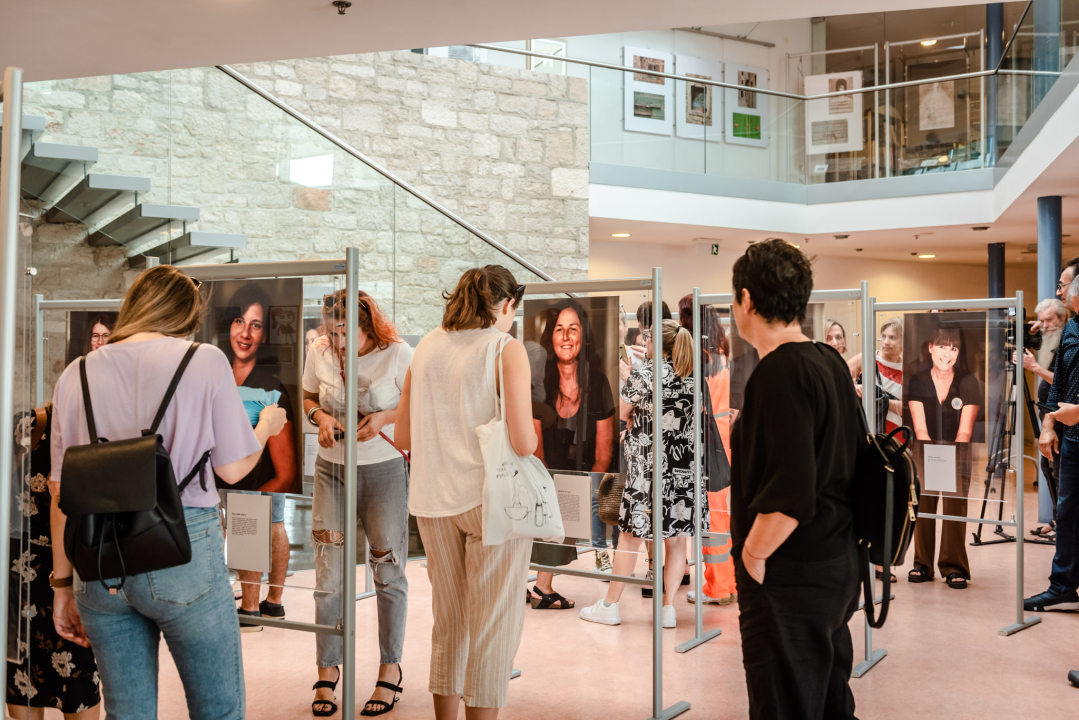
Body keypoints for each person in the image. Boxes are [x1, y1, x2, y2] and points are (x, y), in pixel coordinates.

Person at [49, 265, 287, 719]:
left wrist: (62, 587)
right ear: (186, 313)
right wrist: (264, 427)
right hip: (182, 548)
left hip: (96, 557)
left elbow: (61, 489)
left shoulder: (74, 375)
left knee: (128, 713)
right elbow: (234, 470)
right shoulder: (204, 360)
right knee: (217, 709)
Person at [726, 239, 862, 720]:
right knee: (827, 700)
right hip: (835, 560)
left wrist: (753, 553)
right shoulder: (828, 362)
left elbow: (789, 492)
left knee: (783, 703)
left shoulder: (777, 373)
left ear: (746, 299)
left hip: (792, 571)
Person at [397, 265, 534, 720]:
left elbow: (402, 435)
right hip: (490, 501)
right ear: (507, 303)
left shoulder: (428, 345)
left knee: (449, 621)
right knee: (492, 624)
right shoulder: (504, 349)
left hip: (433, 502)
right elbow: (523, 443)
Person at [302, 289, 411, 717]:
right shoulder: (320, 350)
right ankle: (327, 672)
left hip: (383, 469)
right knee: (329, 575)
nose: (340, 342)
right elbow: (308, 397)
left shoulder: (399, 354)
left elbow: (420, 406)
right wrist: (320, 418)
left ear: (371, 325)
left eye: (349, 332)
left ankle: (390, 668)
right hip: (331, 469)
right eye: (334, 332)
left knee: (387, 569)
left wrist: (385, 417)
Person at [579, 319, 708, 629]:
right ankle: (667, 608)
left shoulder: (645, 375)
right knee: (677, 541)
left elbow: (622, 412)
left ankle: (610, 605)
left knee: (630, 536)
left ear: (653, 343)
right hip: (684, 469)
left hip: (649, 470)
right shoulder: (693, 376)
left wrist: (630, 378)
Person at [6, 404, 102, 720]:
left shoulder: (25, 423)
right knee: (76, 671)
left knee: (22, 673)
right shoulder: (87, 429)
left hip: (19, 567)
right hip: (68, 566)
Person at [215, 283, 296, 631]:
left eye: (256, 324)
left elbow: (286, 468)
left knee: (264, 521)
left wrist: (255, 491)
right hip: (227, 473)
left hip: (253, 479)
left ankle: (251, 608)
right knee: (270, 523)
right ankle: (272, 604)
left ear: (265, 335)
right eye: (239, 321)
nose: (245, 332)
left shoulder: (271, 385)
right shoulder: (218, 375)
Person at [530, 300, 616, 603]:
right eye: (559, 330)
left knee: (580, 514)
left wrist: (582, 491)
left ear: (584, 335)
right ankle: (539, 585)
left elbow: (605, 452)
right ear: (550, 337)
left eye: (573, 329)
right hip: (539, 475)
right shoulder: (539, 381)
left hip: (584, 481)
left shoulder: (598, 382)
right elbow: (534, 448)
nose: (566, 337)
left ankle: (545, 584)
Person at [905, 325, 981, 589]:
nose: (947, 353)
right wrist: (931, 456)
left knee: (953, 507)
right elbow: (919, 425)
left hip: (957, 449)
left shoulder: (969, 381)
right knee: (923, 506)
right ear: (930, 347)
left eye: (954, 347)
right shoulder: (918, 380)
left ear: (959, 353)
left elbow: (966, 429)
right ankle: (921, 564)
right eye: (942, 345)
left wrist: (949, 460)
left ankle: (953, 566)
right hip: (924, 448)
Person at [678, 294, 736, 606]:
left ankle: (718, 588)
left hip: (710, 445)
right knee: (724, 518)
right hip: (728, 442)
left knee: (713, 521)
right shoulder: (724, 353)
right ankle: (730, 583)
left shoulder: (698, 358)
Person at [1030, 273, 1079, 614]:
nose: (1060, 292)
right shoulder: (1073, 331)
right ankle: (1062, 587)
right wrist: (1048, 424)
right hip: (1073, 440)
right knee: (1067, 513)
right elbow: (1059, 382)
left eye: (1063, 287)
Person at [1020, 297, 1071, 538]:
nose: (1045, 325)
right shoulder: (1051, 337)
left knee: (1058, 466)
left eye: (1050, 320)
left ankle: (1065, 523)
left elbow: (1063, 382)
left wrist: (1035, 368)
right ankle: (1057, 517)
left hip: (1063, 415)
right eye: (1042, 321)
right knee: (1047, 467)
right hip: (1047, 411)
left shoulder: (1069, 342)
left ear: (1064, 318)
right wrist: (1034, 329)